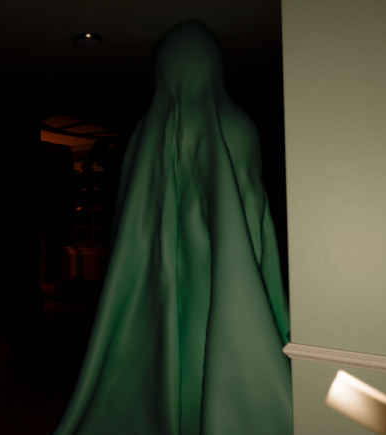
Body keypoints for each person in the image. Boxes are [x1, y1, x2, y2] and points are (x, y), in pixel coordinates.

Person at [53, 20, 292, 435]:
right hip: (224, 284)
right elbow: (255, 220)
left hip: (155, 293)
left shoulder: (146, 133)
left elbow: (131, 228)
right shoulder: (234, 126)